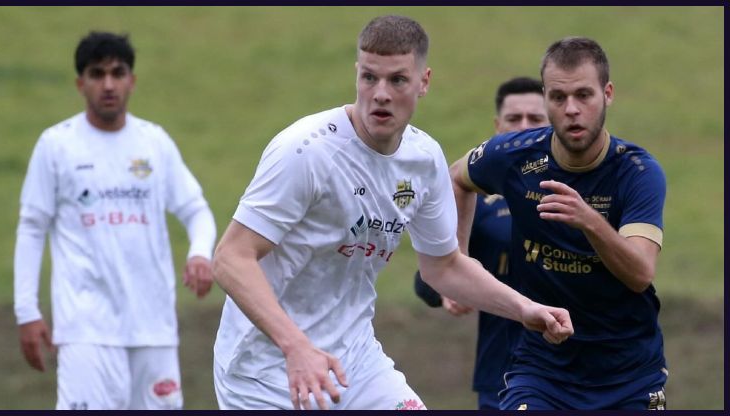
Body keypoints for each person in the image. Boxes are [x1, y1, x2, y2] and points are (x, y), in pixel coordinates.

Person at [210, 15, 573, 411]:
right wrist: (296, 347)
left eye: (397, 80)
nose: (380, 94)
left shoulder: (424, 158)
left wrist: (524, 308)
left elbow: (444, 266)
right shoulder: (305, 151)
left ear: (424, 82)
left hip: (357, 363)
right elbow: (231, 258)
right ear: (357, 74)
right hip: (265, 373)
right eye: (369, 78)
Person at [450, 37, 668, 410]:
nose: (571, 109)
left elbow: (640, 273)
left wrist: (590, 221)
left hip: (628, 374)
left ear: (607, 94)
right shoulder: (515, 156)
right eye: (558, 97)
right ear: (546, 98)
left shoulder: (638, 173)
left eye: (584, 95)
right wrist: (458, 261)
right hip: (540, 371)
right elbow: (456, 178)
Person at [13, 31, 217, 410]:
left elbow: (196, 210)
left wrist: (200, 254)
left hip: (154, 327)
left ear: (131, 81)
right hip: (86, 330)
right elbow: (32, 227)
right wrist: (27, 311)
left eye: (117, 73)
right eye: (97, 74)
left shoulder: (154, 142)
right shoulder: (57, 145)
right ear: (81, 83)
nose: (108, 84)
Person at [413, 76, 549, 409]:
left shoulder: (580, 193)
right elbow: (428, 278)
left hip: (575, 368)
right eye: (514, 118)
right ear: (497, 126)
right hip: (501, 373)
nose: (523, 127)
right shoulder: (476, 203)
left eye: (535, 118)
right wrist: (447, 292)